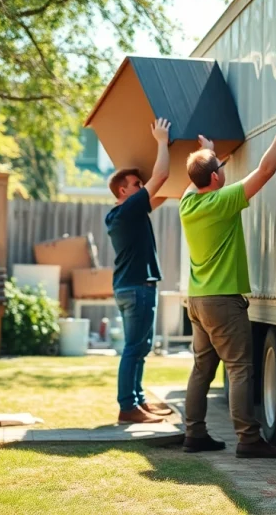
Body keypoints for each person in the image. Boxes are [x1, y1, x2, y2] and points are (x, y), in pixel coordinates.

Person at [178, 99, 276, 459]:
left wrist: (207, 152)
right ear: (216, 178)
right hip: (222, 300)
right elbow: (264, 170)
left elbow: (198, 176)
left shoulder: (187, 202)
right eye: (218, 167)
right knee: (240, 368)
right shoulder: (222, 202)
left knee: (202, 368)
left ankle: (194, 433)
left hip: (197, 301)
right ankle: (248, 438)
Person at [105, 117, 176, 425]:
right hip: (137, 289)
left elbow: (163, 190)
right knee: (135, 348)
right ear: (123, 190)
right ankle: (127, 406)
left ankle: (138, 401)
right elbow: (160, 177)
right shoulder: (129, 208)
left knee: (140, 347)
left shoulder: (123, 213)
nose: (142, 185)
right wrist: (161, 140)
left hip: (131, 288)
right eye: (137, 183)